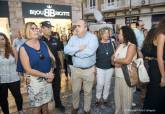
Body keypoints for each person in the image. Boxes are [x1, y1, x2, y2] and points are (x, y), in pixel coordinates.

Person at [17, 22, 54, 114]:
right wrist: (46, 75)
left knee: (46, 107)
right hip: (34, 82)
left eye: (36, 28)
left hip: (48, 78)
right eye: (32, 29)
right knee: (37, 108)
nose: (36, 30)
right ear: (27, 32)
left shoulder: (43, 44)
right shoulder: (23, 48)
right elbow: (28, 69)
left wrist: (51, 73)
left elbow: (52, 59)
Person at [64, 19, 99, 114]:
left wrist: (74, 53)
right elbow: (66, 49)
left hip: (89, 70)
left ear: (85, 28)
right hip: (76, 70)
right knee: (75, 91)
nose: (76, 28)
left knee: (88, 92)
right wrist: (78, 48)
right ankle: (75, 107)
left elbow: (88, 52)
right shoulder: (73, 38)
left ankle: (87, 110)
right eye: (76, 26)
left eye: (79, 26)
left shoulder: (92, 38)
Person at [40, 21, 65, 111]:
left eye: (51, 27)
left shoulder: (55, 40)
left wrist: (62, 67)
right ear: (42, 29)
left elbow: (60, 54)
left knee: (57, 87)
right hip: (44, 70)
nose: (50, 29)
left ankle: (58, 103)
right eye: (48, 27)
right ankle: (44, 107)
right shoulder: (39, 41)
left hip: (56, 68)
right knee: (44, 89)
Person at [112, 26, 137, 114]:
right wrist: (117, 61)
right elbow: (112, 59)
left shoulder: (132, 46)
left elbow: (127, 60)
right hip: (118, 76)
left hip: (126, 77)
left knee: (126, 100)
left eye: (120, 34)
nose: (118, 35)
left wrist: (117, 60)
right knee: (118, 99)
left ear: (125, 35)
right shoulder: (120, 45)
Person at [0, 32, 24, 114]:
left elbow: (18, 63)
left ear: (6, 40)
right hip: (1, 80)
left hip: (14, 78)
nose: (1, 41)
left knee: (18, 96)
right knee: (2, 99)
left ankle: (20, 110)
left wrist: (20, 75)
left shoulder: (12, 49)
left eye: (2, 39)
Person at [95, 27, 114, 106]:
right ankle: (98, 97)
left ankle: (105, 98)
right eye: (105, 33)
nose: (107, 34)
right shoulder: (97, 44)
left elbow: (115, 53)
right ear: (101, 34)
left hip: (110, 67)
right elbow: (94, 56)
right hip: (99, 67)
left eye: (108, 33)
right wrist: (93, 67)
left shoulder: (112, 43)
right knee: (100, 83)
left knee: (107, 83)